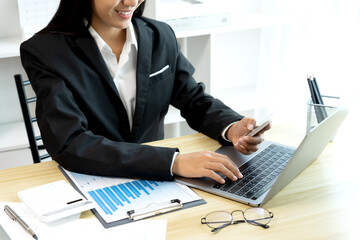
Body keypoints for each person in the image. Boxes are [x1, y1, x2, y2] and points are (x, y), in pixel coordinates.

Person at [20, 0, 270, 184]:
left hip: (160, 184)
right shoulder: (45, 52)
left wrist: (232, 126)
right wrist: (174, 162)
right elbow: (70, 143)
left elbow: (194, 100)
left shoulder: (160, 35)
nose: (131, 2)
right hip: (94, 181)